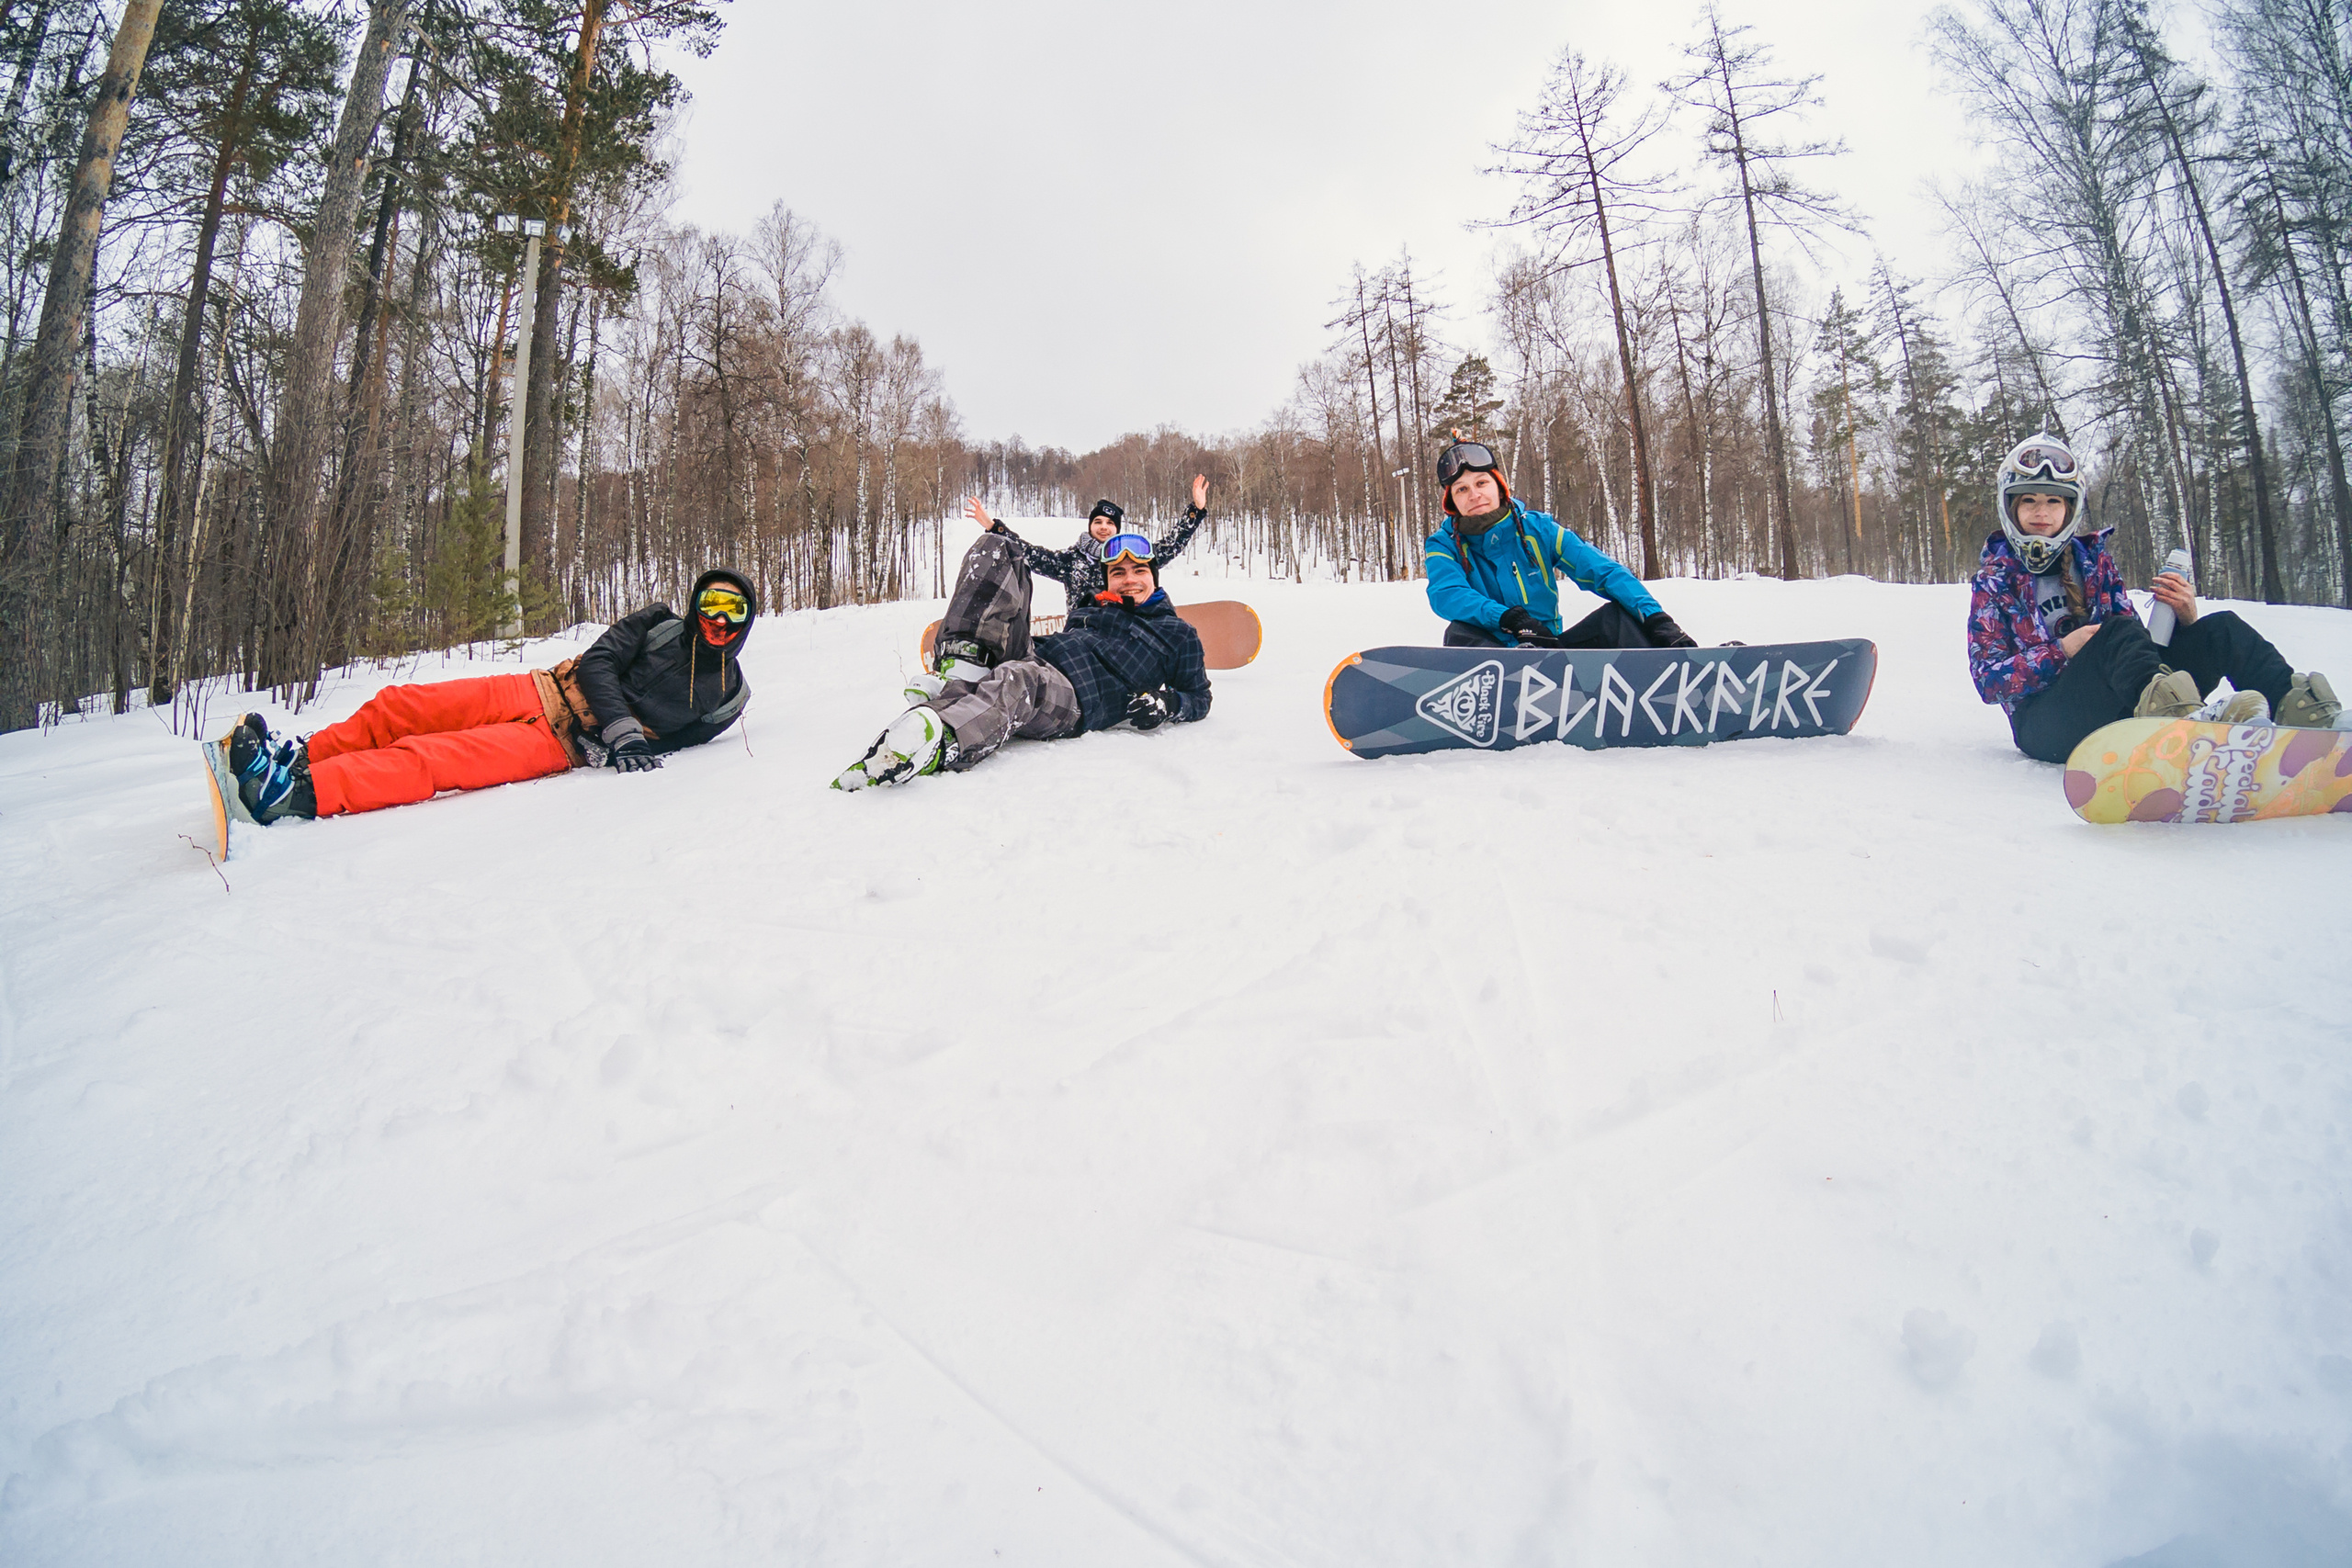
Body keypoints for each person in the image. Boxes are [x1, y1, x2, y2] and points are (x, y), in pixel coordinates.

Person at [222, 570, 758, 823]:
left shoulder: (728, 696)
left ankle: (290, 795)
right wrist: (624, 728)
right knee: (404, 707)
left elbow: (680, 746)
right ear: (695, 603)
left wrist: (621, 746)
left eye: (733, 611)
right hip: (539, 688)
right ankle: (301, 755)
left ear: (747, 621)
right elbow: (600, 663)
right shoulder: (657, 623)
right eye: (712, 603)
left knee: (430, 760)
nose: (718, 619)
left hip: (563, 745)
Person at [1966, 434, 2342, 762]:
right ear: (2011, 507)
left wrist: (2187, 622)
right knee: (2117, 631)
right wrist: (2062, 649)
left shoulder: (2094, 563)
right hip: (2044, 725)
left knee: (2220, 628)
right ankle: (2181, 729)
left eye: (2054, 501)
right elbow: (1988, 681)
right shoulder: (1993, 581)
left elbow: (2133, 648)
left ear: (2070, 509)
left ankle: (2308, 718)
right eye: (2029, 500)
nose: (2042, 513)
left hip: (2122, 710)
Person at [833, 522, 1211, 790]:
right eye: (1119, 572)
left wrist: (1168, 703)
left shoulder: (1177, 634)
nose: (1129, 579)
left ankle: (943, 739)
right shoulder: (1092, 606)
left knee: (1018, 679)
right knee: (998, 548)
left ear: (1155, 577)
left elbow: (1200, 697)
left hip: (1077, 698)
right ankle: (961, 674)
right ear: (1108, 578)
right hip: (1040, 656)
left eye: (1139, 571)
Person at [1422, 436, 1697, 649]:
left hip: (1550, 651)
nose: (1474, 494)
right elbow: (1447, 593)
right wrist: (1508, 618)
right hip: (1493, 662)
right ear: (1453, 502)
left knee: (1620, 619)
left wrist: (1656, 618)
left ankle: (1673, 681)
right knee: (1459, 634)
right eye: (1462, 489)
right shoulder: (1443, 545)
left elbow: (1604, 571)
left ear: (1498, 486)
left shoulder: (1538, 529)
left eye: (1481, 483)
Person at [962, 474, 1209, 624]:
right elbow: (1029, 553)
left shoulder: (1128, 559)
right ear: (1090, 525)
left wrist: (1195, 512)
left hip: (1122, 635)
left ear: (1117, 530)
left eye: (1110, 524)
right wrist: (995, 528)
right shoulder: (1071, 560)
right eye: (1098, 522)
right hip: (1083, 637)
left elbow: (1170, 545)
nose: (1104, 527)